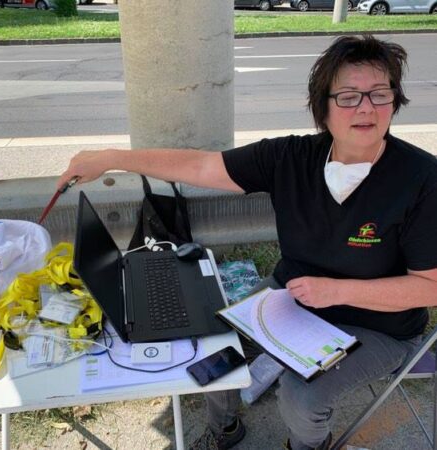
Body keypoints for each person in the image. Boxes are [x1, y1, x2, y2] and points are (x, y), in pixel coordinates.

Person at [58, 35, 437, 450]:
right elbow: (201, 165)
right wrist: (113, 157)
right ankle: (224, 430)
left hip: (381, 327)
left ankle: (309, 446)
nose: (366, 107)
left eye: (379, 94)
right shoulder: (289, 158)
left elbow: (428, 286)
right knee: (212, 348)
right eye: (348, 96)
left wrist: (337, 291)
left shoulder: (421, 179)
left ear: (394, 102)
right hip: (294, 298)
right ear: (323, 107)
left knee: (302, 397)